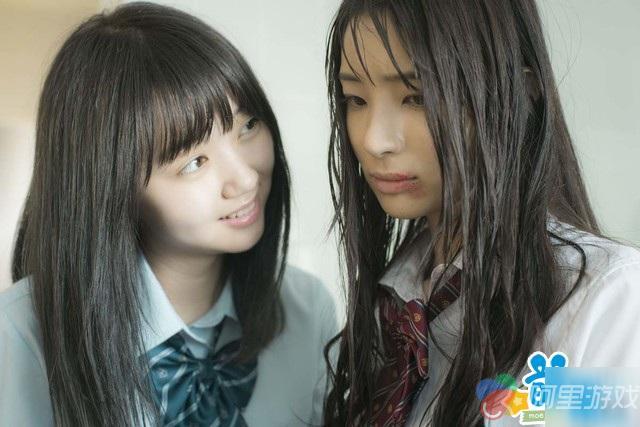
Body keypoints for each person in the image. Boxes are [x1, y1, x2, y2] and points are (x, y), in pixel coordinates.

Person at [0, 2, 337, 426]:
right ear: (112, 189)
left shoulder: (306, 312)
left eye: (247, 127)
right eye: (194, 162)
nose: (245, 178)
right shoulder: (18, 339)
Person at [321, 0, 640, 425]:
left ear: (520, 92)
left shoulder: (606, 300)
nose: (374, 141)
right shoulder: (396, 308)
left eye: (417, 97)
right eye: (356, 99)